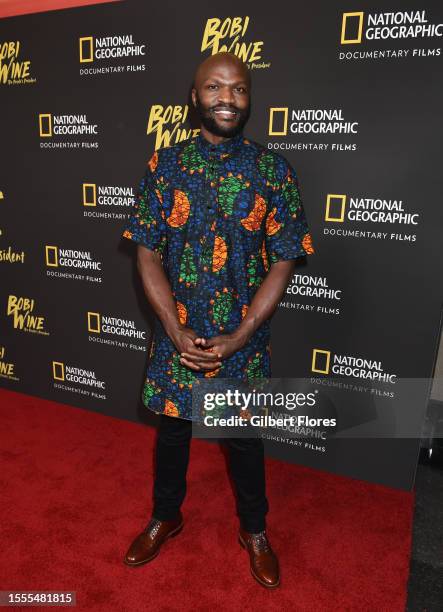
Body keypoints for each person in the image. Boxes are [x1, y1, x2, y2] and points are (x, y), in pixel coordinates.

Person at [121, 51, 314, 589]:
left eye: (238, 89)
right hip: (176, 333)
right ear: (195, 96)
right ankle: (166, 517)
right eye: (215, 87)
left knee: (245, 441)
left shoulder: (272, 170)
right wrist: (173, 329)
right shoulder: (165, 165)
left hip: (241, 337)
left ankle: (254, 530)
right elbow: (147, 253)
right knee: (174, 432)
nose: (227, 97)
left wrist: (241, 335)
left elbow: (284, 258)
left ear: (249, 98)